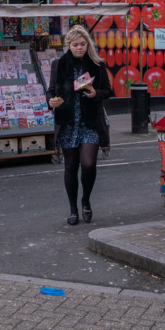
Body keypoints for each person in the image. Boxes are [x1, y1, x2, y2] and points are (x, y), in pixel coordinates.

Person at [48, 25, 113, 226]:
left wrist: (96, 94)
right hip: (68, 122)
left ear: (88, 44)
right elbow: (51, 90)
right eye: (75, 45)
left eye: (83, 44)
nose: (79, 48)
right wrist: (51, 101)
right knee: (70, 166)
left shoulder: (97, 64)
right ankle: (73, 209)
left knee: (88, 163)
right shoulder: (59, 64)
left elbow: (107, 90)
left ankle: (86, 200)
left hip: (90, 122)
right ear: (68, 45)